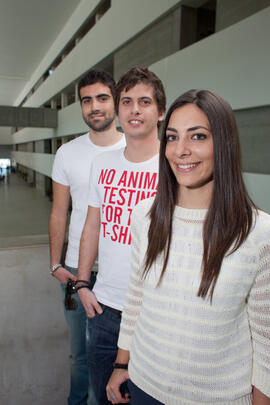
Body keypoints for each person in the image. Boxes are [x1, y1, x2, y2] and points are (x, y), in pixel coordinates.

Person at [107, 89, 270, 405]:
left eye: (197, 137)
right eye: (171, 137)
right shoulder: (145, 215)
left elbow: (266, 339)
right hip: (144, 385)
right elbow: (137, 297)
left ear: (222, 144)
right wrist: (121, 363)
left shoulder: (259, 233)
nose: (180, 150)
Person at [77, 66, 166, 405]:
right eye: (126, 101)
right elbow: (92, 226)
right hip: (104, 308)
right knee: (101, 398)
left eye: (144, 102)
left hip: (151, 312)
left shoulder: (172, 165)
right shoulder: (103, 164)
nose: (134, 109)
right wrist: (83, 284)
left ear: (159, 112)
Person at [49, 68, 125, 405]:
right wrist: (55, 263)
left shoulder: (137, 148)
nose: (94, 106)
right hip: (80, 274)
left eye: (102, 98)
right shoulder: (68, 152)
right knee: (79, 357)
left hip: (122, 274)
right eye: (87, 100)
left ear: (116, 101)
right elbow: (58, 212)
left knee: (120, 359)